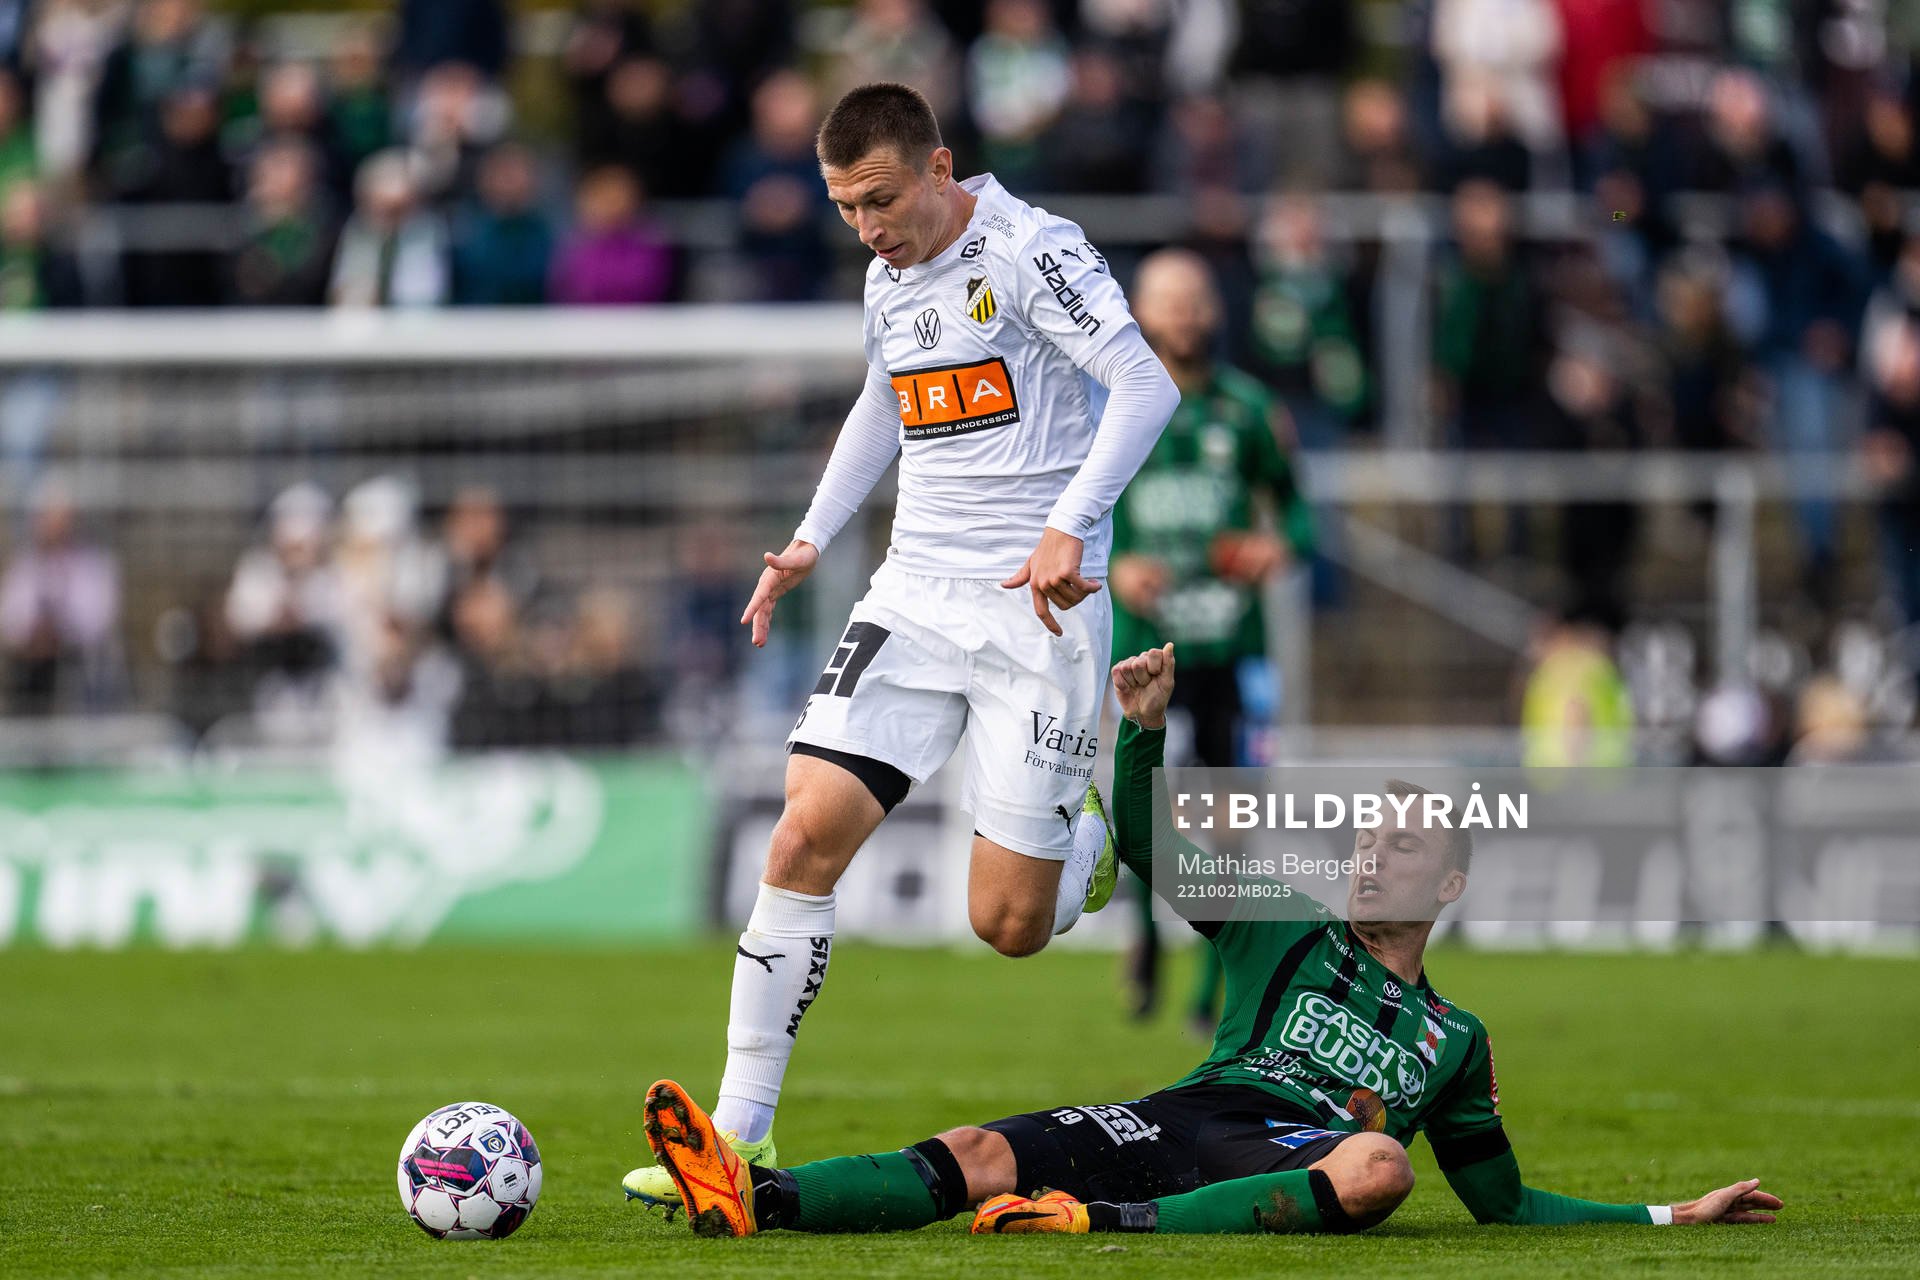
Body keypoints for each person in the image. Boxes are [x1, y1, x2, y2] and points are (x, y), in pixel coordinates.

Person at [641, 643, 1785, 1240]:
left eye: (1400, 848)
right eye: (1366, 840)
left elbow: (1507, 1205)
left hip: (1295, 1156)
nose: (1370, 856)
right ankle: (755, 1196)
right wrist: (1143, 730)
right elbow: (1148, 838)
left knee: (1381, 1167)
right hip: (1200, 1113)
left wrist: (1672, 1214)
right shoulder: (1284, 919)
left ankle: (1095, 1222)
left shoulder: (1456, 1037)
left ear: (1448, 882)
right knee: (979, 1146)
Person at [623, 81, 1179, 1205]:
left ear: (940, 166)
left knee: (1009, 924)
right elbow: (884, 401)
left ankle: (1090, 847)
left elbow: (1143, 381)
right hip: (913, 596)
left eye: (878, 198)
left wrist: (1073, 521)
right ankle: (735, 1143)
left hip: (1038, 608)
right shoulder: (888, 280)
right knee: (800, 835)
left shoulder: (1033, 250)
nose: (866, 226)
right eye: (842, 207)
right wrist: (809, 538)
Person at [1108, 247, 1313, 1024]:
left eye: (1196, 299)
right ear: (1140, 310)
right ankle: (1146, 948)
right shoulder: (1113, 404)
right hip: (1147, 649)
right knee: (1147, 811)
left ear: (1215, 310)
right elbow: (1069, 510)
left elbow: (1295, 505)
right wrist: (1116, 563)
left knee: (1228, 823)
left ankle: (1206, 983)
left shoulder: (1250, 409)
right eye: (1170, 300)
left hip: (1230, 646)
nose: (1185, 314)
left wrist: (1275, 545)